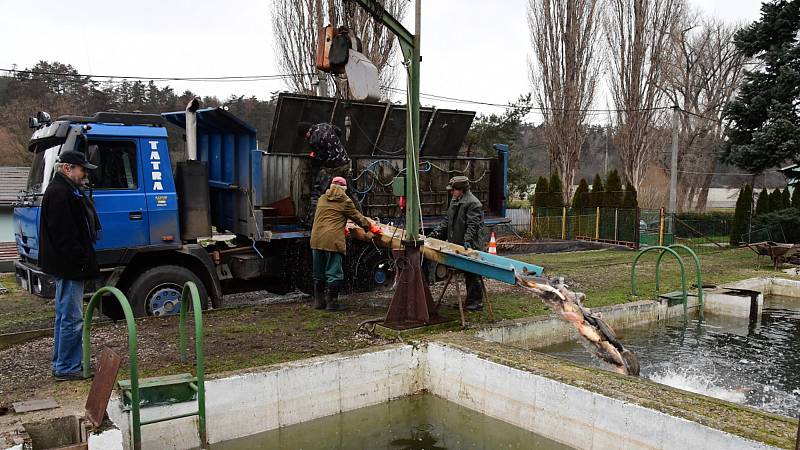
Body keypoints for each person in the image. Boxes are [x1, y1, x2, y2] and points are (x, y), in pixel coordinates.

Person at [39, 150, 101, 381]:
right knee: (72, 317)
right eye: (82, 169)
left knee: (65, 316)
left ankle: (63, 363)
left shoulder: (65, 191)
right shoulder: (60, 193)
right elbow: (65, 236)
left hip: (66, 265)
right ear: (67, 168)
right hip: (69, 266)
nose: (85, 174)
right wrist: (82, 261)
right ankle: (67, 366)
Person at [310, 176, 381, 311]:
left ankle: (319, 303)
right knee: (333, 272)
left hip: (316, 239)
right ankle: (332, 304)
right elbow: (357, 217)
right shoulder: (344, 200)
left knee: (319, 272)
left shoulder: (322, 199)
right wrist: (370, 227)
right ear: (344, 189)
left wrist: (341, 226)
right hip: (333, 241)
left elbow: (328, 217)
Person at [430, 175, 486, 311]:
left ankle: (476, 302)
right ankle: (469, 301)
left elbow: (472, 225)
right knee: (468, 274)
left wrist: (467, 240)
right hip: (458, 244)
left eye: (453, 189)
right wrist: (436, 235)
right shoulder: (455, 201)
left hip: (470, 245)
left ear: (461, 190)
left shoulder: (474, 203)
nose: (451, 192)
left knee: (473, 274)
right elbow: (447, 221)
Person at [298, 122, 358, 227]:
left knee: (316, 194)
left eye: (304, 136)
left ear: (307, 132)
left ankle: (310, 222)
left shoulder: (313, 140)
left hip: (331, 168)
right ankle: (360, 218)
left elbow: (320, 159)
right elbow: (338, 131)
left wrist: (314, 156)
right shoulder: (325, 125)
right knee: (351, 192)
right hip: (345, 162)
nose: (305, 139)